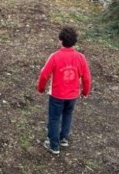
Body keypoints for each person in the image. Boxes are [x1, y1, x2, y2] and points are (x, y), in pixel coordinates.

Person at [37, 26, 92, 155]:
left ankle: (53, 145)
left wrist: (41, 88)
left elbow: (44, 74)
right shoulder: (81, 58)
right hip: (72, 95)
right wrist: (85, 91)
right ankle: (63, 138)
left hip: (57, 95)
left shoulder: (55, 57)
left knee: (54, 118)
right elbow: (87, 76)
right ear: (75, 42)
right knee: (68, 115)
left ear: (60, 41)